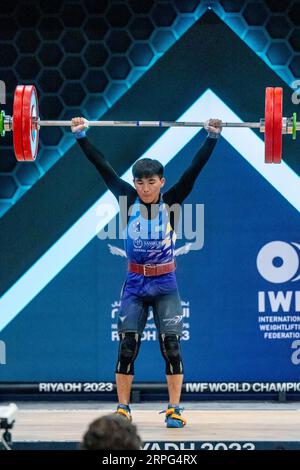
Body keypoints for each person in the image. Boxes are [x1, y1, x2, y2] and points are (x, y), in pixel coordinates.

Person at [71, 116, 222, 428]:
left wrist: (212, 137)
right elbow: (102, 166)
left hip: (165, 284)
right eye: (140, 182)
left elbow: (195, 169)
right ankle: (123, 408)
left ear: (162, 182)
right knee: (127, 347)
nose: (145, 188)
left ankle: (174, 409)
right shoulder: (127, 199)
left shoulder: (174, 200)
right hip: (136, 284)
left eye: (151, 182)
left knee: (172, 347)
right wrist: (81, 135)